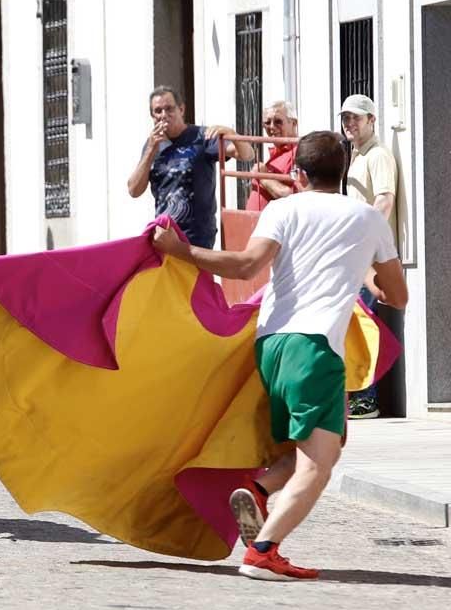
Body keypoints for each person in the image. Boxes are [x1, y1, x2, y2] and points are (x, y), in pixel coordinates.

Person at [153, 131, 407, 581]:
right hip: (316, 348)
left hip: (270, 346)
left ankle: (258, 489)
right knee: (319, 466)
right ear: (343, 171)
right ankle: (263, 553)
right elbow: (397, 296)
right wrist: (365, 272)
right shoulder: (368, 218)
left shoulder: (282, 208)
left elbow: (247, 265)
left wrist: (181, 252)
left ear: (298, 174)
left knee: (307, 450)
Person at [128, 86, 255, 247]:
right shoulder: (152, 144)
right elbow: (134, 190)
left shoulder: (202, 137)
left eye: (169, 109)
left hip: (196, 237)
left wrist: (232, 134)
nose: (164, 116)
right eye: (158, 111)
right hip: (165, 234)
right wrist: (150, 151)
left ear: (181, 109)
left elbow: (247, 154)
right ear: (152, 116)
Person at [340, 93, 399, 420]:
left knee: (363, 324)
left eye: (357, 118)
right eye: (346, 118)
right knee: (358, 323)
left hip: (371, 256)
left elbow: (385, 200)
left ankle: (367, 398)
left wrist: (364, 239)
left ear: (372, 120)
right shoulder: (357, 154)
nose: (350, 123)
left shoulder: (377, 155)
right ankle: (361, 395)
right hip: (360, 253)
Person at [245, 101, 299, 211]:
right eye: (267, 122)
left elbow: (295, 196)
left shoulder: (300, 152)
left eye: (278, 121)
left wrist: (263, 177)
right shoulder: (277, 152)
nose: (272, 127)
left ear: (293, 123)